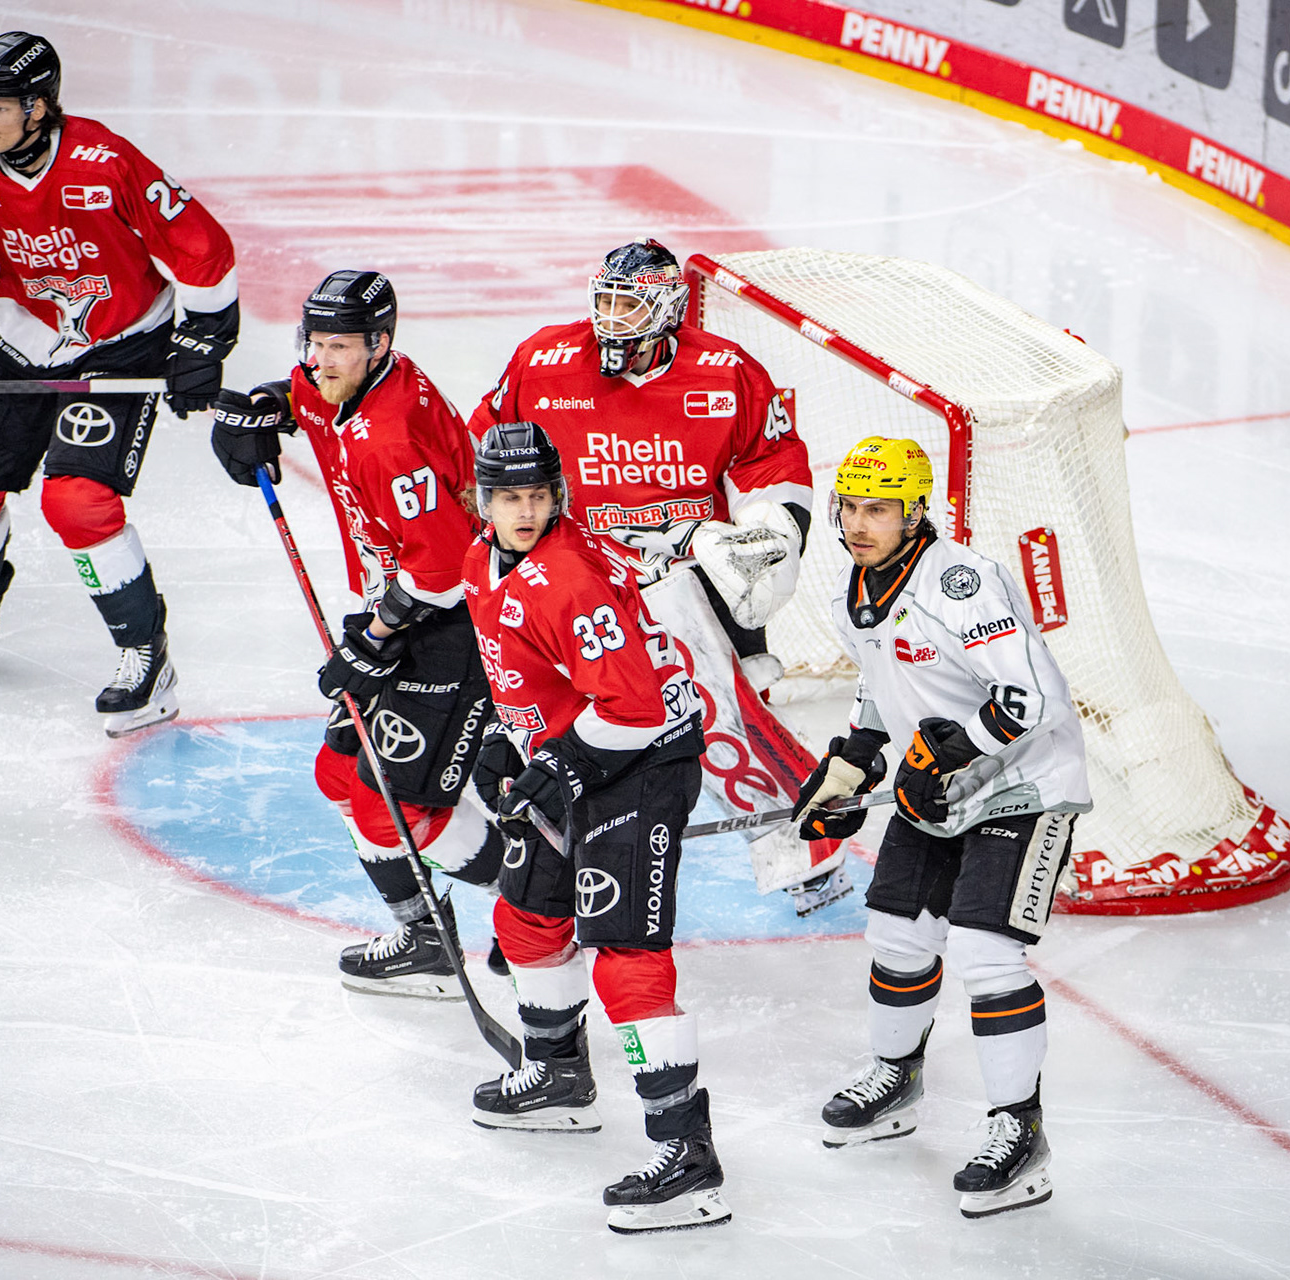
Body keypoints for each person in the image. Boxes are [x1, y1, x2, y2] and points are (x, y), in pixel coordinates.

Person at [0, 31, 237, 737]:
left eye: (1, 106)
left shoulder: (107, 162)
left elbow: (201, 247)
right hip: (25, 343)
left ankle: (145, 655)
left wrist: (202, 342)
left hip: (120, 349)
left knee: (78, 501)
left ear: (40, 106)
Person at [469, 238, 846, 913]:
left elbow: (774, 460)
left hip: (675, 583)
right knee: (554, 714)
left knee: (719, 722)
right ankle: (551, 858)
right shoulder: (546, 360)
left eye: (629, 303)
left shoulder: (725, 372)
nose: (611, 319)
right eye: (605, 301)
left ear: (668, 307)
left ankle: (806, 852)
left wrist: (768, 534)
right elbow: (489, 445)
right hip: (568, 577)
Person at [791, 437, 1091, 1219]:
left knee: (987, 951)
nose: (860, 523)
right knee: (895, 933)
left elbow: (1033, 697)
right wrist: (853, 762)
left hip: (1025, 785)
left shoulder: (960, 582)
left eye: (879, 509)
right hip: (944, 793)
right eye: (850, 507)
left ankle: (1018, 1131)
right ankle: (896, 1078)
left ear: (916, 511)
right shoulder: (853, 590)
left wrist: (948, 753)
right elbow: (879, 683)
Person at [463, 420, 729, 1235]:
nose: (525, 511)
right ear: (486, 501)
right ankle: (557, 1076)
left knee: (626, 960)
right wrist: (508, 741)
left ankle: (688, 1159)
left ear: (557, 497)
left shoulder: (568, 577)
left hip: (642, 760)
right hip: (576, 748)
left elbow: (637, 708)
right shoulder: (483, 562)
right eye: (509, 497)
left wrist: (558, 767)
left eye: (539, 496)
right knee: (529, 917)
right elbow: (523, 672)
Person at [209, 269, 498, 997]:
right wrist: (259, 411)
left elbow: (442, 569)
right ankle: (427, 933)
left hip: (452, 624)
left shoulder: (389, 438)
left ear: (380, 345)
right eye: (315, 342)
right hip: (403, 609)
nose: (321, 359)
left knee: (393, 804)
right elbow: (302, 396)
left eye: (340, 346)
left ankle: (537, 895)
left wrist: (374, 640)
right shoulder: (355, 381)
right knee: (341, 775)